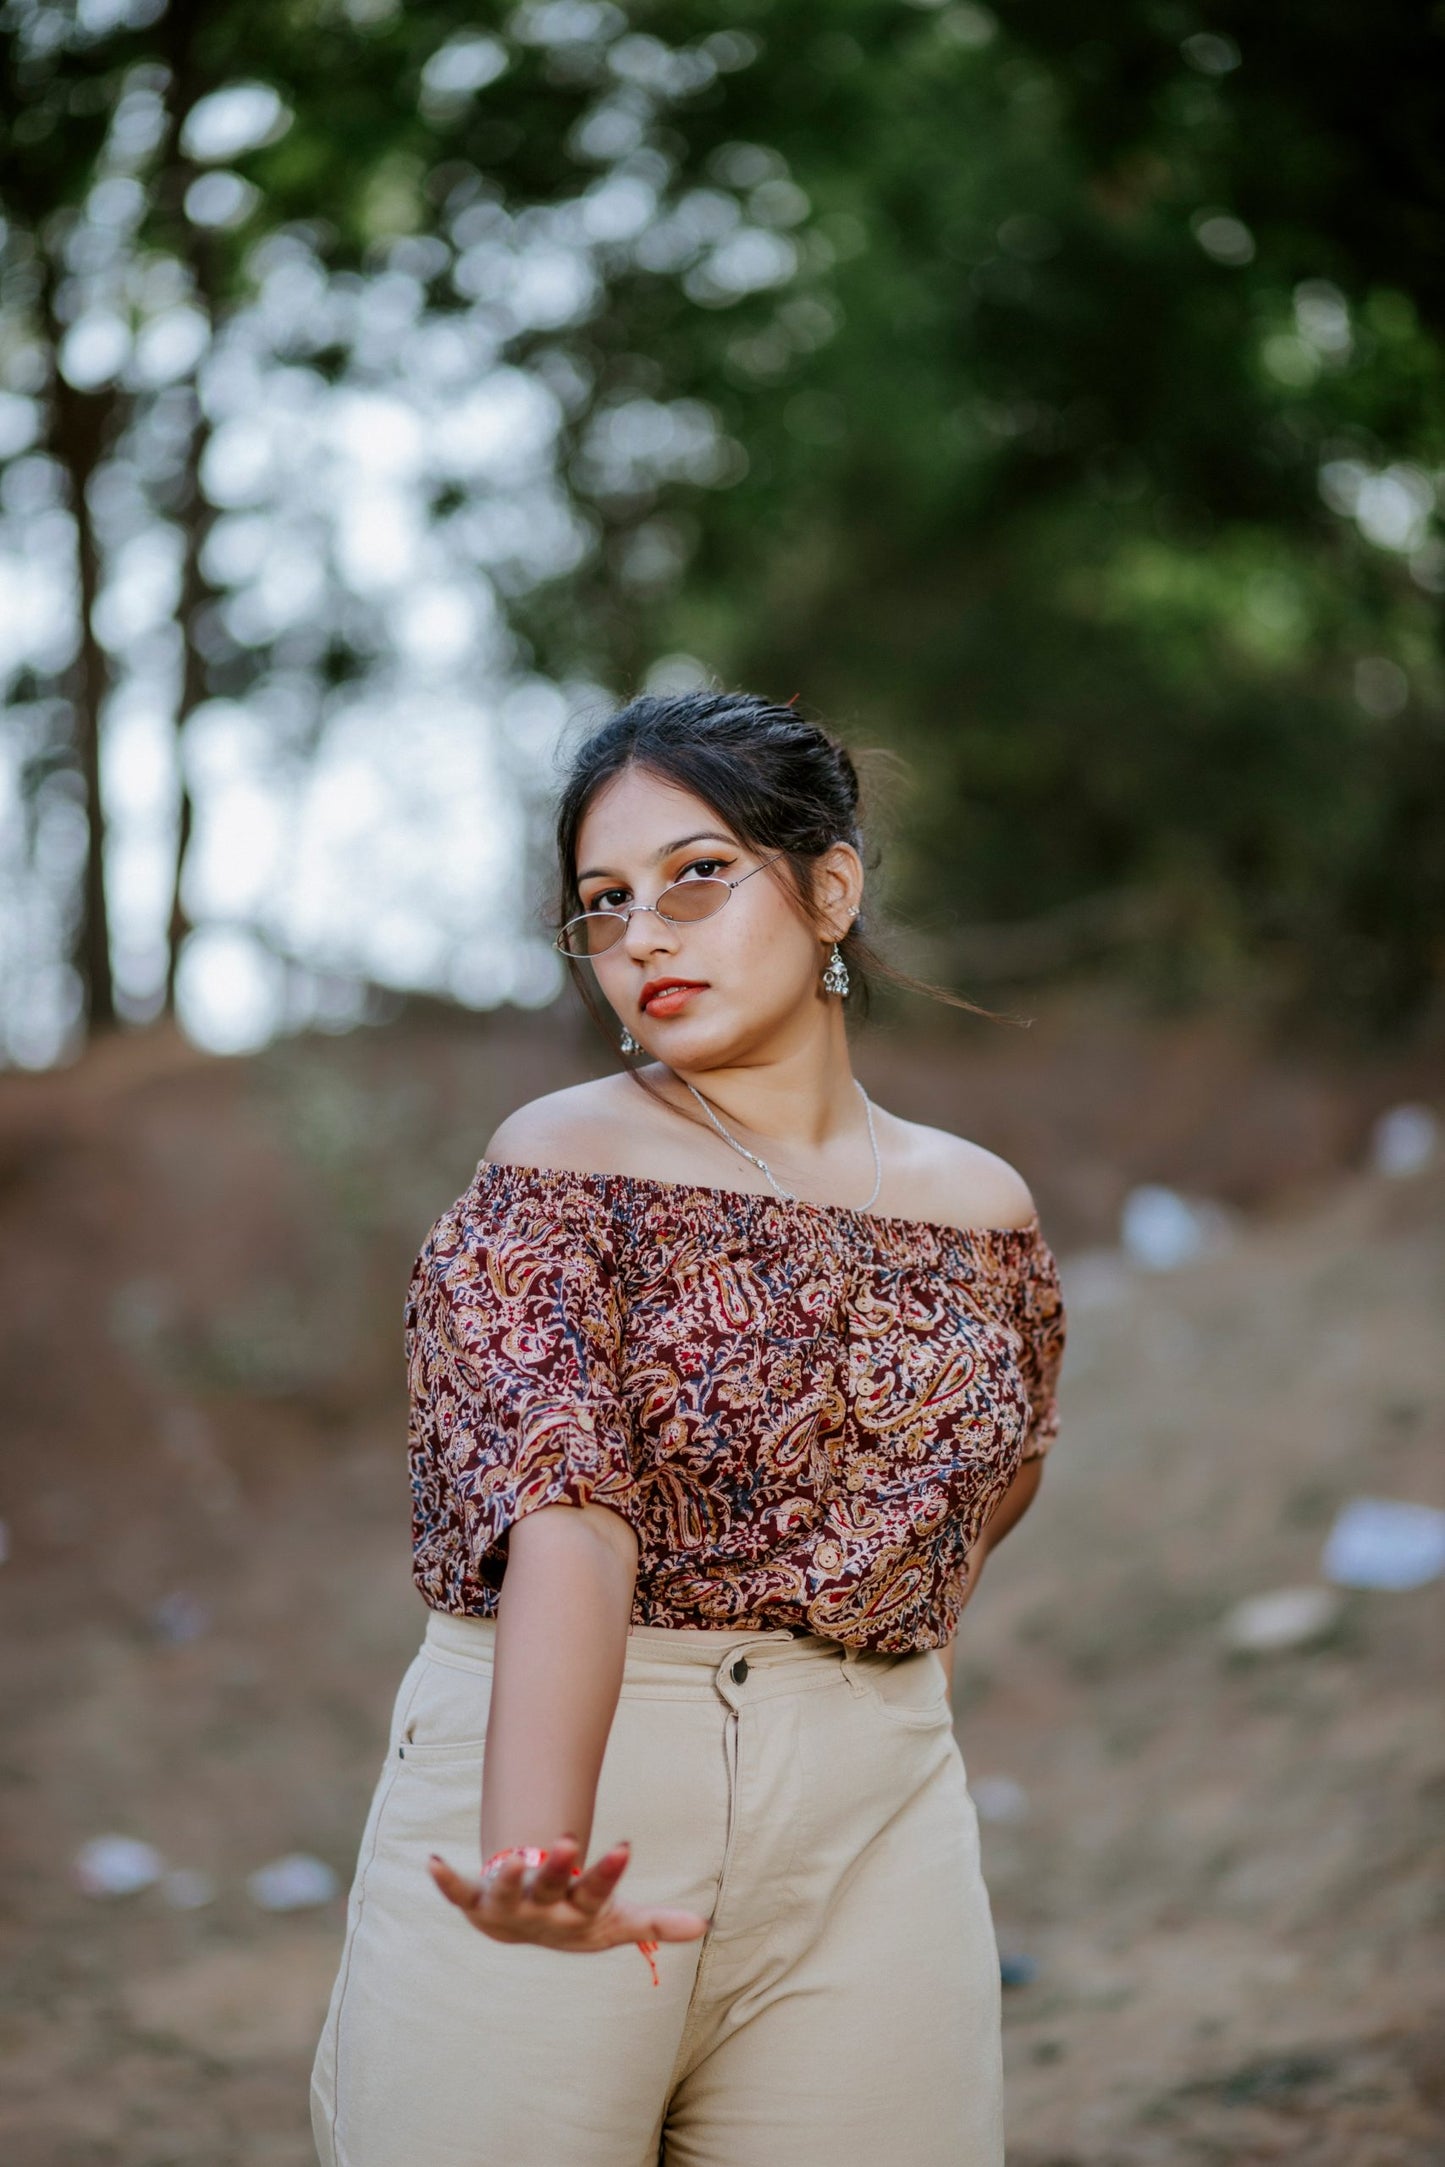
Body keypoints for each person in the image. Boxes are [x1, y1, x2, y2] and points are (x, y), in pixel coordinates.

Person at [310, 690, 1066, 2167]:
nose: (644, 932)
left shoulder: (982, 1210)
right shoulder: (561, 1163)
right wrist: (535, 1851)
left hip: (873, 1819)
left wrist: (874, 1686)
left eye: (696, 874)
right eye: (605, 903)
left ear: (830, 887)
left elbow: (997, 1482)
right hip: (569, 1786)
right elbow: (570, 1517)